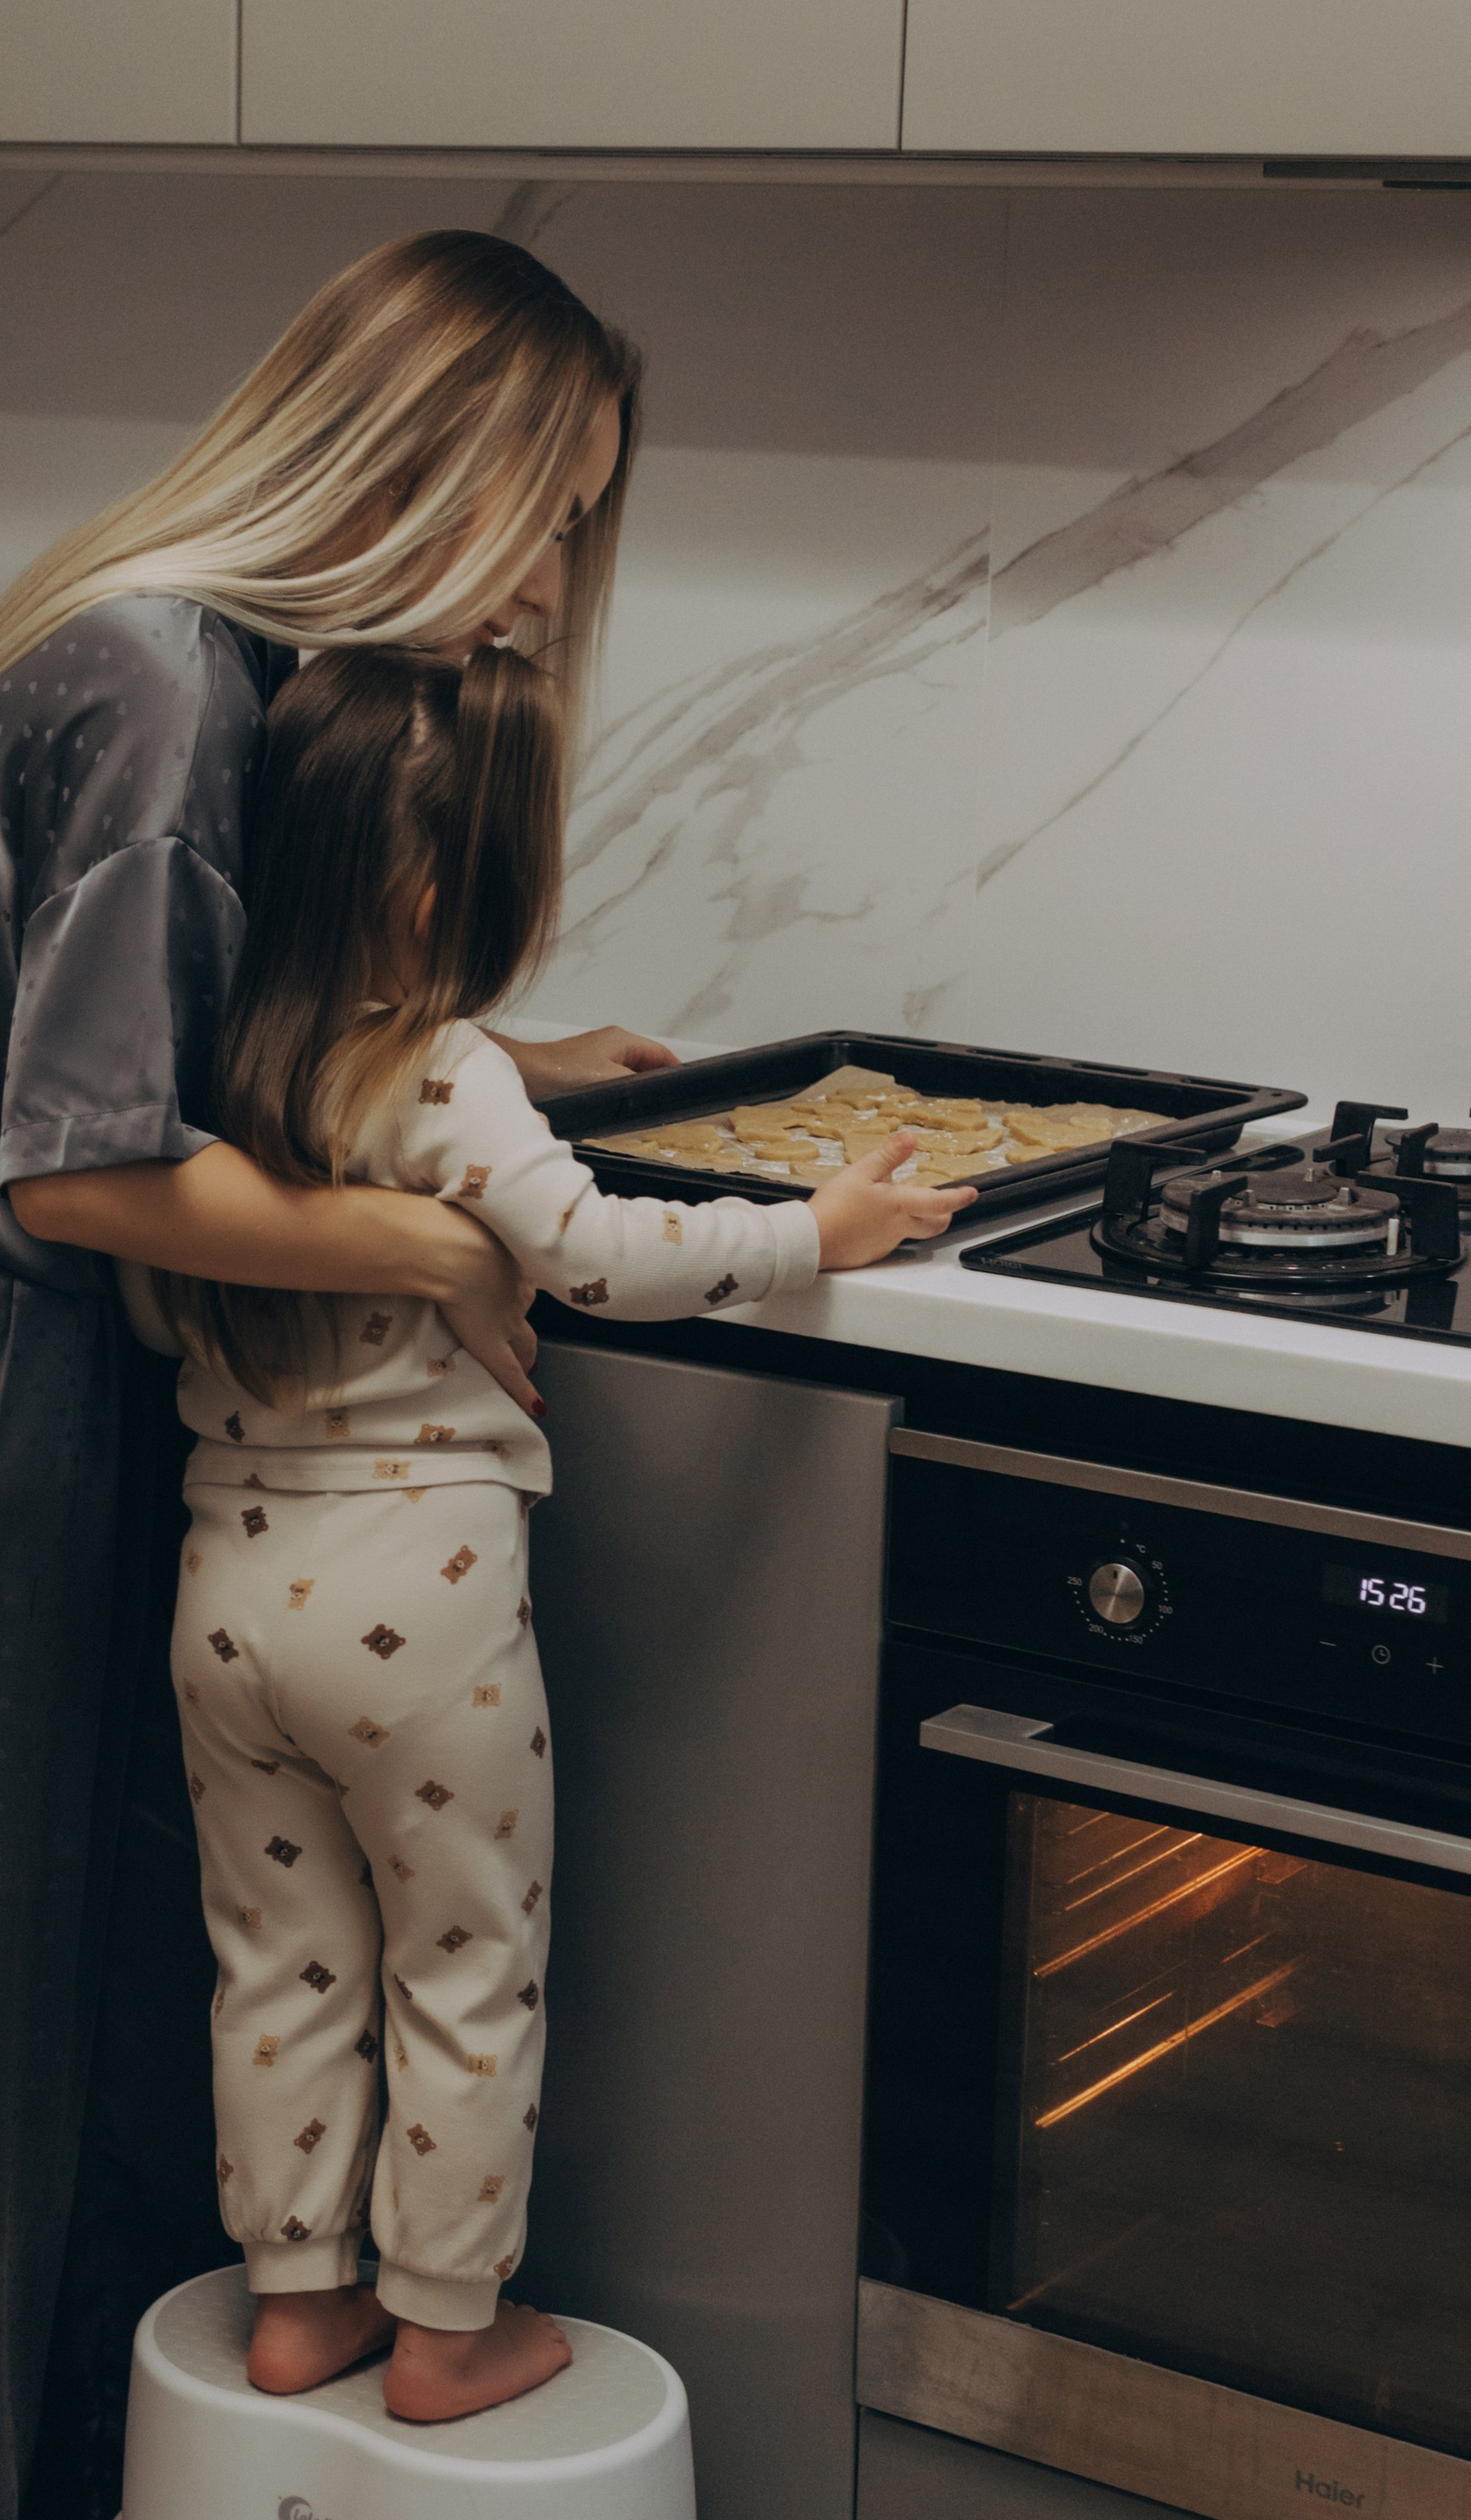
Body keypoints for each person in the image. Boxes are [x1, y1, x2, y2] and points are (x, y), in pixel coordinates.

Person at [0, 231, 668, 2520]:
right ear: (408, 464)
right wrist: (434, 1235)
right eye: (540, 515)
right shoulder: (164, 685)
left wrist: (498, 1069)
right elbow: (91, 1164)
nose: (547, 585)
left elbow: (186, 1043)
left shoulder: (180, 648)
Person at [143, 648, 972, 2421]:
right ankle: (451, 2326)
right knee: (462, 1965)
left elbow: (155, 1293)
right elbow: (595, 1255)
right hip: (418, 1607)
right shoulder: (443, 1070)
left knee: (276, 1962)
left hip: (223, 1594)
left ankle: (296, 2300)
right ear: (448, 894)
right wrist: (811, 1234)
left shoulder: (206, 1068)